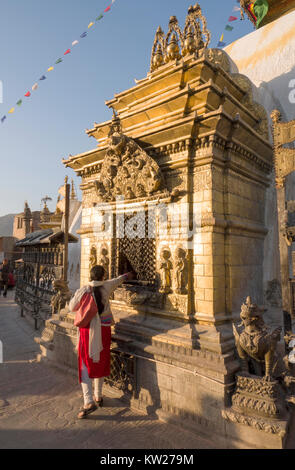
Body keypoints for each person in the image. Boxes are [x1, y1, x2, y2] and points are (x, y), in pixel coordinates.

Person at [69, 265, 134, 419]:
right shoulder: (107, 286)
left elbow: (72, 307)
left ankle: (88, 400)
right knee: (101, 360)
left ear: (90, 276)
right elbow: (118, 280)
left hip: (87, 330)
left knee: (85, 364)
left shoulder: (83, 290)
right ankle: (98, 395)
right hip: (104, 329)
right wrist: (128, 275)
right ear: (103, 276)